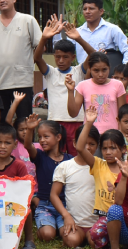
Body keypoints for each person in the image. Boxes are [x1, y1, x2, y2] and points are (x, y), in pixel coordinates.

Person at [35, 16, 95, 154]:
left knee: (76, 155)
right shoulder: (51, 72)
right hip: (54, 123)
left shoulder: (79, 71)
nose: (61, 60)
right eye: (58, 57)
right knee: (56, 156)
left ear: (73, 58)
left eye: (65, 57)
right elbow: (37, 58)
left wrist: (78, 38)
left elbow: (93, 55)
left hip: (77, 122)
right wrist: (44, 38)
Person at [0, 0, 42, 121]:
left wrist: (26, 60)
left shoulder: (28, 20)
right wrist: (2, 60)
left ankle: (26, 143)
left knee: (24, 122)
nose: (2, 0)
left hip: (22, 82)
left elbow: (39, 47)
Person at [51, 119, 106, 249]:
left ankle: (91, 236)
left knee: (97, 244)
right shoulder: (65, 166)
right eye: (84, 143)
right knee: (72, 241)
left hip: (96, 223)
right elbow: (54, 195)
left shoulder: (102, 166)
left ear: (97, 146)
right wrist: (66, 216)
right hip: (74, 223)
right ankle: (68, 232)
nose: (87, 147)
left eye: (92, 144)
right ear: (75, 143)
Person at [28, 119, 72, 249]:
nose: (42, 140)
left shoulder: (69, 159)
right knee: (48, 235)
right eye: (40, 137)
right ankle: (44, 228)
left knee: (68, 234)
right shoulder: (39, 156)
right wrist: (30, 129)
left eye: (46, 136)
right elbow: (28, 145)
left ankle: (56, 226)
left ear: (58, 137)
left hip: (64, 206)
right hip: (45, 206)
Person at [66, 53, 126, 132]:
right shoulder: (82, 85)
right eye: (96, 70)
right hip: (90, 134)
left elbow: (123, 115)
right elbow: (73, 114)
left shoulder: (118, 85)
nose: (101, 74)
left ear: (109, 68)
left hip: (112, 135)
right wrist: (70, 91)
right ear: (89, 69)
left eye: (104, 70)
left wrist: (121, 134)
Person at [74, 0, 128, 70]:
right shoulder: (77, 32)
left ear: (101, 11)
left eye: (91, 8)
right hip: (83, 74)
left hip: (105, 75)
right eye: (85, 9)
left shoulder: (112, 29)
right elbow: (63, 50)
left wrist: (124, 69)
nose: (87, 12)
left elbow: (127, 49)